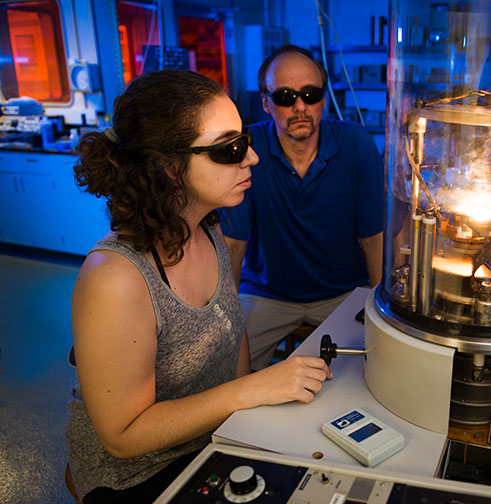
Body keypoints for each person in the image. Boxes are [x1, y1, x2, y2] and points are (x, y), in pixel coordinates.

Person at [66, 69, 333, 503]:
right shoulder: (115, 278)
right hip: (137, 473)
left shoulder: (207, 228)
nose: (252, 159)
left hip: (214, 439)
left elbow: (233, 333)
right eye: (229, 149)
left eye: (243, 141)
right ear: (170, 168)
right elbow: (123, 436)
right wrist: (249, 392)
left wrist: (251, 419)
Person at [218, 45, 384, 370]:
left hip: (341, 293)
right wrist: (228, 318)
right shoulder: (249, 150)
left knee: (368, 369)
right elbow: (233, 246)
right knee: (227, 369)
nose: (300, 107)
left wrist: (378, 309)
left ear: (323, 98)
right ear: (265, 102)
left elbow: (372, 237)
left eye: (310, 94)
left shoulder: (356, 146)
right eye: (285, 96)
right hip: (266, 293)